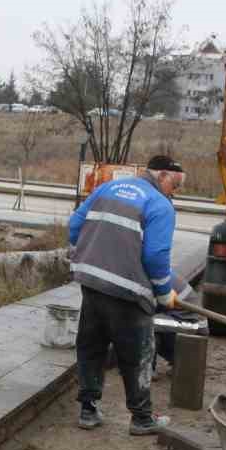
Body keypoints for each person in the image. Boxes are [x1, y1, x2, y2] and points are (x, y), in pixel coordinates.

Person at [68, 155, 186, 435]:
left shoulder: (107, 188)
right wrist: (163, 291)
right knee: (138, 353)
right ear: (163, 176)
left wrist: (96, 255)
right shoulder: (160, 205)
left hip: (93, 282)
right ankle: (142, 418)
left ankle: (88, 410)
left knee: (91, 346)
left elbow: (74, 226)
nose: (175, 192)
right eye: (176, 185)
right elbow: (156, 256)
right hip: (128, 291)